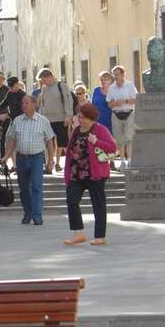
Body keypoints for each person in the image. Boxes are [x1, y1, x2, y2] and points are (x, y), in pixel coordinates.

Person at [63, 103, 117, 247]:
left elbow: (113, 147)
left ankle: (100, 236)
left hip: (95, 174)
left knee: (98, 204)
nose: (80, 120)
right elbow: (69, 153)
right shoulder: (75, 131)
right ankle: (79, 233)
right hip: (76, 174)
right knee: (71, 200)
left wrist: (96, 141)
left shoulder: (100, 129)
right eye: (79, 117)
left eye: (83, 117)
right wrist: (67, 174)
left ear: (91, 117)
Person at [1, 95, 56, 226]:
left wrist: (50, 161)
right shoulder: (17, 121)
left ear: (34, 104)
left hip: (37, 158)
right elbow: (12, 142)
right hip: (21, 158)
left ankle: (37, 216)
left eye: (26, 103)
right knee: (24, 188)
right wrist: (5, 157)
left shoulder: (43, 121)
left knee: (37, 187)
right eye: (22, 103)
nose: (23, 105)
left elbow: (49, 142)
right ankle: (27, 213)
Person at [37, 68, 74, 173]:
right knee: (48, 143)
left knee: (64, 143)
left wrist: (69, 115)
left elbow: (68, 100)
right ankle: (49, 165)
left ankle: (72, 165)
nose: (43, 82)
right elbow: (43, 104)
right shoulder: (44, 88)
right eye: (41, 81)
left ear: (49, 76)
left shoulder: (61, 86)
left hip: (61, 119)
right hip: (48, 120)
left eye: (44, 80)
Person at [106, 65, 138, 169]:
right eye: (114, 75)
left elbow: (137, 100)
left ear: (123, 74)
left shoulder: (130, 85)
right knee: (119, 140)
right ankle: (123, 161)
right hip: (116, 114)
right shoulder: (111, 87)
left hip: (129, 113)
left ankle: (130, 161)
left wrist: (126, 101)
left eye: (117, 74)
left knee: (129, 138)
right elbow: (109, 104)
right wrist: (115, 103)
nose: (115, 77)